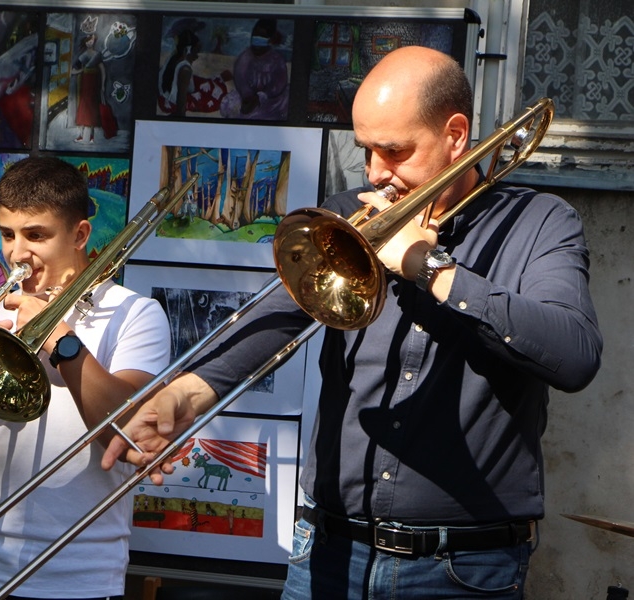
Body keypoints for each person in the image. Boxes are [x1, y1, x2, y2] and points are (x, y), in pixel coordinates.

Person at [103, 46, 602, 598]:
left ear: (456, 135)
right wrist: (186, 394)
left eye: (395, 151)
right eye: (366, 150)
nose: (375, 173)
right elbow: (276, 318)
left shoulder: (539, 223)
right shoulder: (349, 213)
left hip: (461, 566)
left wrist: (430, 268)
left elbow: (574, 354)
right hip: (328, 549)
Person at [0, 156, 171, 599]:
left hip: (77, 582)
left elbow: (128, 434)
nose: (16, 253)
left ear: (79, 235)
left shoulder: (135, 314)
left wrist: (61, 340)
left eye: (36, 235)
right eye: (8, 234)